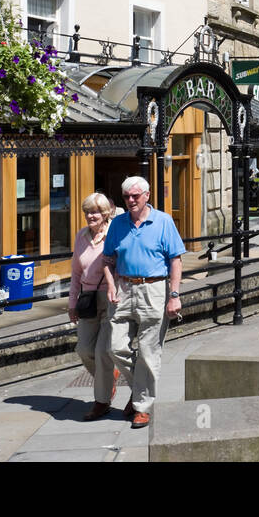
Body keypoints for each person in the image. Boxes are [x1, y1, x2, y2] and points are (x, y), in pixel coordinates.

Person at [102, 176, 184, 429]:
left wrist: (174, 295)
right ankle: (140, 389)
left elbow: (176, 260)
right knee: (114, 348)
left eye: (136, 195)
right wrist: (110, 284)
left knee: (149, 352)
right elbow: (107, 260)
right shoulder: (118, 223)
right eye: (126, 196)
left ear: (147, 195)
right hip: (124, 288)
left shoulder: (163, 221)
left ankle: (142, 407)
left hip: (154, 289)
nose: (131, 200)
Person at [72, 192, 119, 421]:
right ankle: (107, 380)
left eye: (95, 212)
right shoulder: (81, 236)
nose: (91, 215)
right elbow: (76, 273)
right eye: (87, 211)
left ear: (105, 214)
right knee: (84, 350)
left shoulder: (114, 234)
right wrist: (72, 304)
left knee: (102, 352)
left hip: (110, 298)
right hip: (87, 299)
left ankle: (101, 402)